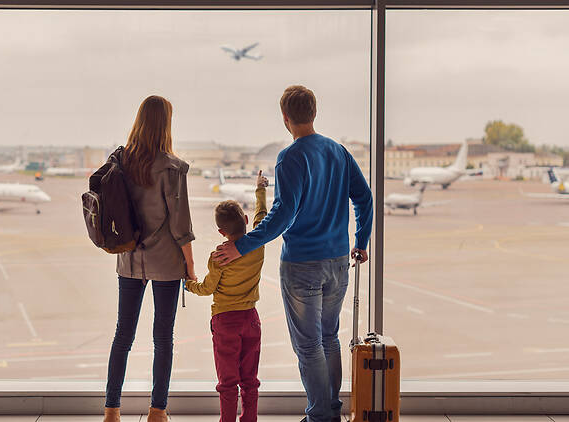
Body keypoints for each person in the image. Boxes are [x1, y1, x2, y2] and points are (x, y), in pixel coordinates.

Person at [213, 85, 373, 422]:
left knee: (309, 345)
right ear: (314, 113)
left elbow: (283, 215)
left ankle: (320, 417)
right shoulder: (338, 152)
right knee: (329, 337)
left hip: (302, 265)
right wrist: (361, 240)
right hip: (338, 262)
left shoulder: (290, 157)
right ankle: (329, 412)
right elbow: (365, 198)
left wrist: (241, 245)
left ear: (285, 118)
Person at [104, 95, 196, 422]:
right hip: (166, 262)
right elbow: (180, 224)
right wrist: (191, 265)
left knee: (123, 335)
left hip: (128, 259)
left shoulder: (120, 161)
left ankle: (112, 410)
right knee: (163, 337)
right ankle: (158, 410)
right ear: (166, 123)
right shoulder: (173, 168)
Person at [184, 171, 269, 422]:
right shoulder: (258, 244)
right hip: (251, 319)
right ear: (244, 218)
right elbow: (262, 217)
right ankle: (249, 419)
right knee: (250, 379)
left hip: (225, 322)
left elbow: (208, 288)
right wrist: (260, 189)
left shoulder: (218, 256)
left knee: (228, 381)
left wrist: (190, 285)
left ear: (221, 232)